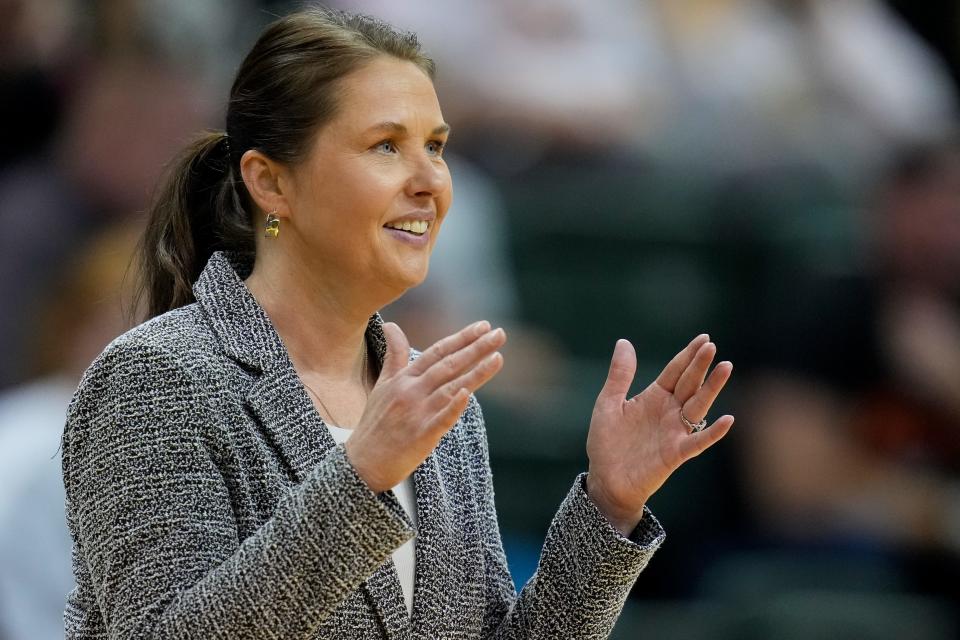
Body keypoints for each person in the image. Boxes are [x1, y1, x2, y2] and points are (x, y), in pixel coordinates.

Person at [60, 6, 734, 639]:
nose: (431, 181)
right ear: (271, 183)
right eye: (386, 146)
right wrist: (360, 476)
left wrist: (608, 505)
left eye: (435, 147)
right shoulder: (157, 378)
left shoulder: (437, 405)